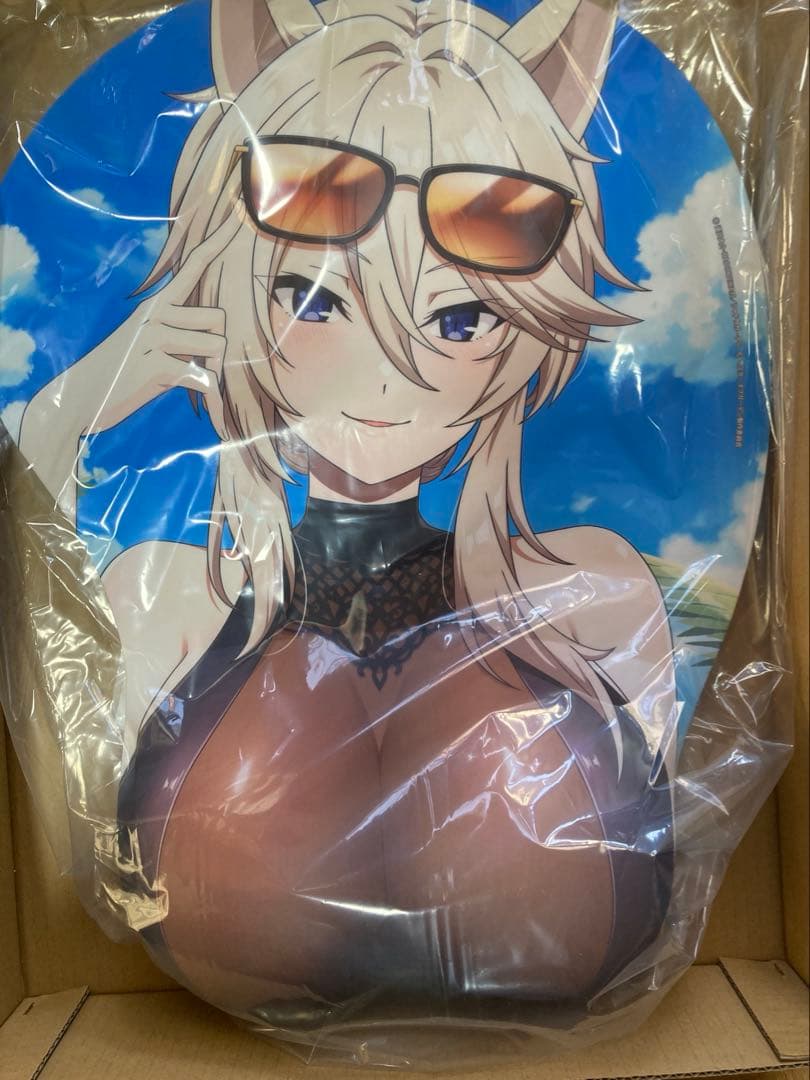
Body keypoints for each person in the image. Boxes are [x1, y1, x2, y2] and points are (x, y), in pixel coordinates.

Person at [21, 0, 676, 1029]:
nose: (385, 379)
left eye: (460, 318)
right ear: (236, 294)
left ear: (526, 331)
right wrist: (85, 396)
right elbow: (34, 592)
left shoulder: (589, 592)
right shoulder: (174, 594)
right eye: (316, 299)